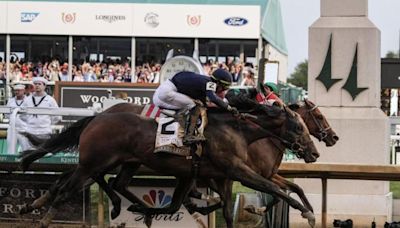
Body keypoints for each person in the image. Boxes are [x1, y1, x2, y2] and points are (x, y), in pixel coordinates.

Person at [153, 69, 239, 144]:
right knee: (192, 105)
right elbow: (213, 98)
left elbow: (205, 103)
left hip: (162, 91)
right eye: (223, 88)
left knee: (194, 105)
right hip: (167, 92)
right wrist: (229, 108)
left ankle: (181, 125)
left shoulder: (204, 82)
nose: (221, 91)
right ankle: (188, 136)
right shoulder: (210, 83)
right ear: (218, 83)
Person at [23, 77, 61, 149]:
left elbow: (57, 116)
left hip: (44, 131)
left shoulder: (50, 100)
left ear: (44, 86)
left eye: (39, 84)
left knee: (43, 153)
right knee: (28, 154)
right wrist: (30, 122)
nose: (37, 86)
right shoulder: (27, 99)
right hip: (30, 131)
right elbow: (22, 116)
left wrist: (46, 123)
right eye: (35, 84)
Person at [6, 84, 29, 153]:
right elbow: (7, 114)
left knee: (26, 148)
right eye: (15, 90)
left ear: (23, 91)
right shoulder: (10, 101)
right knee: (10, 148)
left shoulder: (28, 100)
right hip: (12, 128)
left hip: (24, 128)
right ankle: (10, 163)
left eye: (18, 90)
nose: (17, 92)